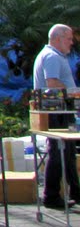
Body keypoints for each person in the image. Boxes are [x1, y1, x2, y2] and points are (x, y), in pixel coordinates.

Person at [34, 23, 80, 208]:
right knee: (59, 152)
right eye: (69, 39)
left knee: (67, 153)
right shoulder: (52, 56)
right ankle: (51, 196)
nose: (71, 43)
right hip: (56, 112)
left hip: (61, 111)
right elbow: (51, 83)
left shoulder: (53, 55)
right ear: (58, 38)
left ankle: (75, 191)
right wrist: (74, 91)